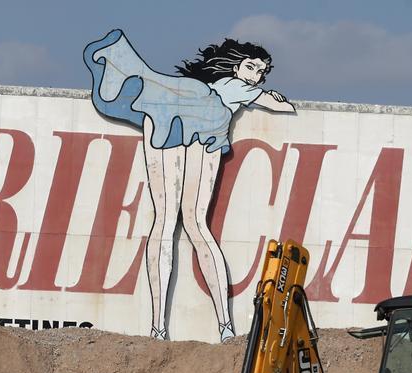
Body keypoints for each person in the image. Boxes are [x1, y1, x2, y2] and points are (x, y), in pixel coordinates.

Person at [84, 29, 295, 342]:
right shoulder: (234, 88)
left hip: (173, 121)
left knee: (168, 221)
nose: (256, 76)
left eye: (261, 72)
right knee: (191, 224)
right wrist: (277, 100)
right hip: (195, 127)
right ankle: (221, 325)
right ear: (236, 67)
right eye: (251, 67)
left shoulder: (221, 88)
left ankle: (160, 327)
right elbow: (283, 109)